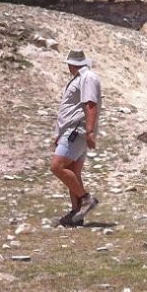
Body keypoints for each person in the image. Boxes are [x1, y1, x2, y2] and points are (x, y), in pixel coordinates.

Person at [50, 49, 102, 226]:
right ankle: (75, 215)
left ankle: (87, 199)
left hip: (75, 130)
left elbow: (90, 105)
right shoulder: (81, 78)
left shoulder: (87, 78)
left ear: (72, 64)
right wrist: (59, 133)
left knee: (57, 166)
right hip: (71, 130)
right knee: (73, 170)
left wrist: (89, 131)